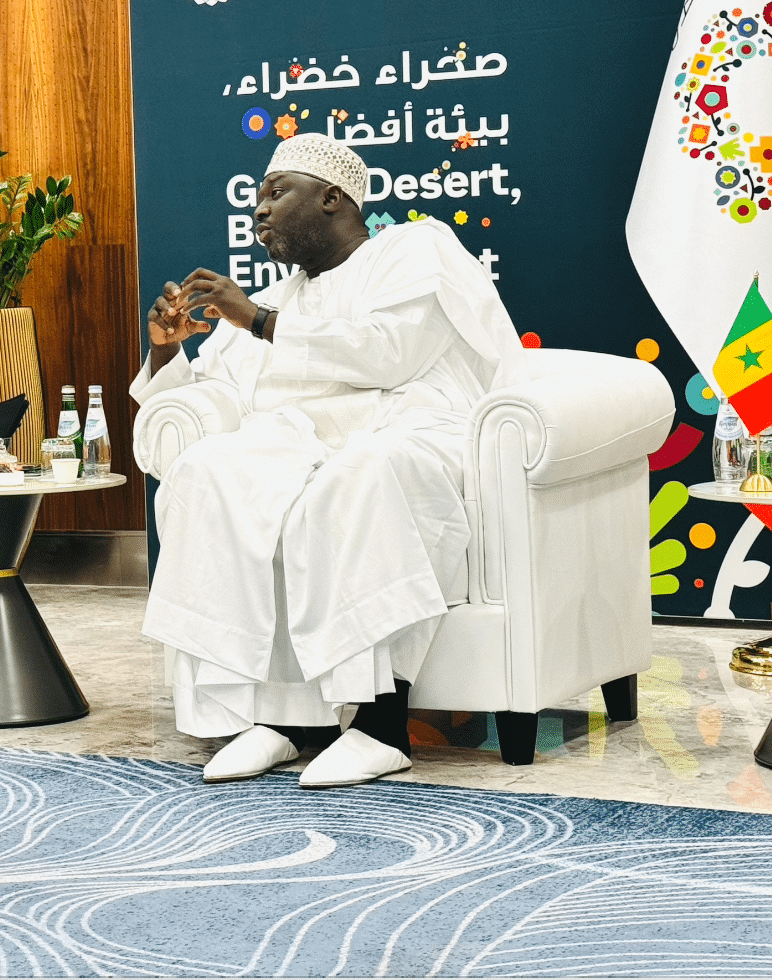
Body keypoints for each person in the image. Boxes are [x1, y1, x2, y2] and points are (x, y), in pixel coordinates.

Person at [134, 134, 525, 788]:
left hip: (411, 428)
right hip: (298, 441)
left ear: (333, 198)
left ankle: (381, 724)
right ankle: (285, 718)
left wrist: (255, 319)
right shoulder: (278, 296)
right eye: (257, 197)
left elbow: (387, 354)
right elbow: (225, 393)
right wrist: (164, 354)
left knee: (361, 473)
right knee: (209, 471)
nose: (258, 210)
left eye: (276, 192)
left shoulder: (412, 250)